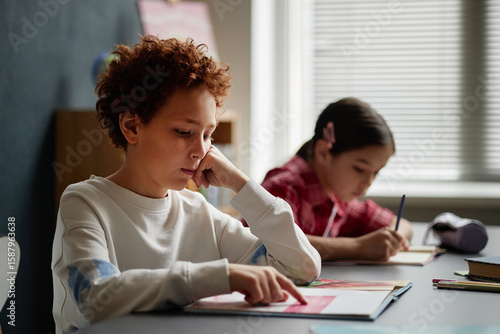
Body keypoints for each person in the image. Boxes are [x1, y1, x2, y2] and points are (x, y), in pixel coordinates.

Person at [51, 36, 321, 334]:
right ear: (131, 126)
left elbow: (302, 267)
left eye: (208, 135)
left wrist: (240, 183)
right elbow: (96, 298)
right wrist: (221, 276)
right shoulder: (85, 202)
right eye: (183, 132)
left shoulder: (198, 211)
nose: (200, 151)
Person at [258, 97, 413, 262]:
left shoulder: (337, 195)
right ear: (323, 153)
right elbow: (275, 244)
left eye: (376, 172)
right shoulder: (282, 189)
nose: (368, 181)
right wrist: (357, 247)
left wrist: (393, 238)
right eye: (359, 169)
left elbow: (402, 224)